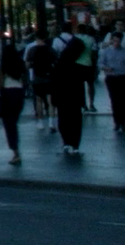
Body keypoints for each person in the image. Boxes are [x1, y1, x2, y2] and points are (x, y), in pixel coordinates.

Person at [51, 20, 88, 155]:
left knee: (64, 120)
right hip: (75, 98)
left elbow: (55, 82)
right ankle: (75, 144)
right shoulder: (78, 66)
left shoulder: (60, 64)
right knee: (75, 121)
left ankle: (66, 142)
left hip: (62, 98)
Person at [0, 39, 28, 165]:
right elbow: (25, 80)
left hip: (7, 94)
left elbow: (0, 83)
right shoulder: (20, 63)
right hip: (18, 94)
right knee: (14, 122)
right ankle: (16, 151)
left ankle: (15, 152)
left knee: (9, 125)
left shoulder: (3, 66)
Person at [99, 30, 125, 135]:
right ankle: (117, 122)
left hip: (123, 78)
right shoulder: (106, 51)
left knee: (123, 101)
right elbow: (100, 63)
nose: (116, 43)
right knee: (114, 100)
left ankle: (123, 122)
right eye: (114, 41)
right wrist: (105, 68)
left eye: (118, 41)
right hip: (112, 78)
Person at [25, 28, 56, 129]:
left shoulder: (32, 50)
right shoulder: (50, 49)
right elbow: (56, 62)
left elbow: (27, 65)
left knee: (39, 101)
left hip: (37, 77)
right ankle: (51, 122)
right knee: (50, 101)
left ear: (36, 37)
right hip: (49, 78)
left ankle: (40, 122)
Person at [76, 23, 100, 112]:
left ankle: (83, 104)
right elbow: (94, 52)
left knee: (80, 86)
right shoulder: (91, 39)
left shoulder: (75, 39)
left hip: (78, 64)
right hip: (89, 64)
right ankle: (91, 104)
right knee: (90, 85)